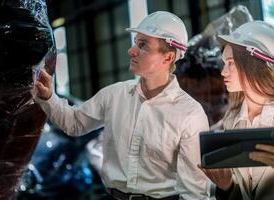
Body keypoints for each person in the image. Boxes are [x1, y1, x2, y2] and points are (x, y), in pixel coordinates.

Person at [34, 11, 211, 200]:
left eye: (142, 45)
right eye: (136, 42)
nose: (131, 50)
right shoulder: (114, 96)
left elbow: (195, 190)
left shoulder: (189, 114)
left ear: (167, 58)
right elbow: (75, 124)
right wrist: (48, 97)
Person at [199, 21, 274, 200]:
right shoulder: (232, 119)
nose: (223, 72)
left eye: (230, 63)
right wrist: (226, 186)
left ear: (254, 64)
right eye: (224, 63)